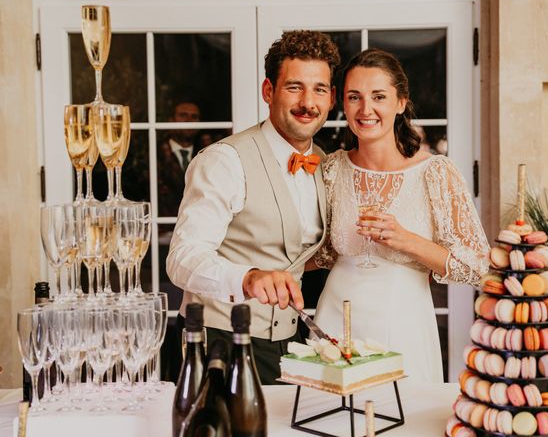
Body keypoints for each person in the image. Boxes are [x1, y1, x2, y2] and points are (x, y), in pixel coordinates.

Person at [167, 30, 341, 384]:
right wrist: (247, 278)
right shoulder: (224, 161)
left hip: (292, 343)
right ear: (268, 91)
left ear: (331, 97)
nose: (308, 102)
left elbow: (293, 251)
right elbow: (182, 259)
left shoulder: (325, 164)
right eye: (294, 87)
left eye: (319, 89)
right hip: (219, 341)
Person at [312, 49, 490, 383]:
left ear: (400, 102)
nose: (366, 109)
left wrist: (406, 240)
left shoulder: (435, 172)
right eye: (355, 97)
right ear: (344, 104)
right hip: (334, 320)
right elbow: (320, 252)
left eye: (379, 96)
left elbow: (475, 266)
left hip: (403, 320)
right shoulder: (331, 169)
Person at [157, 101, 202, 218]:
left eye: (194, 117)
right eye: (183, 115)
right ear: (171, 120)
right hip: (161, 228)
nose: (189, 120)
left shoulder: (208, 153)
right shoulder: (153, 153)